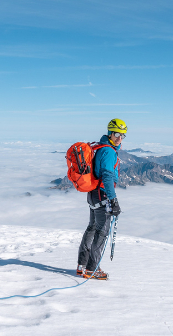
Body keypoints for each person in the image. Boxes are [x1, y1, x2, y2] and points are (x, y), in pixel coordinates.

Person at [77, 118, 126, 280]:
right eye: (117, 134)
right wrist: (113, 200)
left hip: (93, 194)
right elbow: (107, 176)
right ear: (110, 133)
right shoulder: (109, 152)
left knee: (92, 228)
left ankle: (82, 265)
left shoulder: (100, 147)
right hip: (102, 195)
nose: (119, 138)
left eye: (122, 135)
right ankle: (92, 268)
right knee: (102, 232)